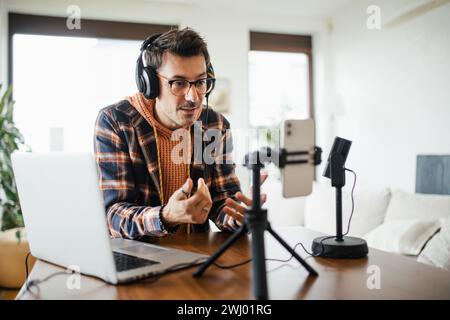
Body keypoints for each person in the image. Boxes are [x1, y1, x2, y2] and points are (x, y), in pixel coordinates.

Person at [94, 27, 266, 239]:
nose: (193, 97)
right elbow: (112, 215)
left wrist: (238, 216)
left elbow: (221, 201)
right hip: (138, 254)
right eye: (179, 83)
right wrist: (166, 216)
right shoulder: (115, 122)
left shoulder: (216, 125)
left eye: (200, 82)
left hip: (195, 256)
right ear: (151, 84)